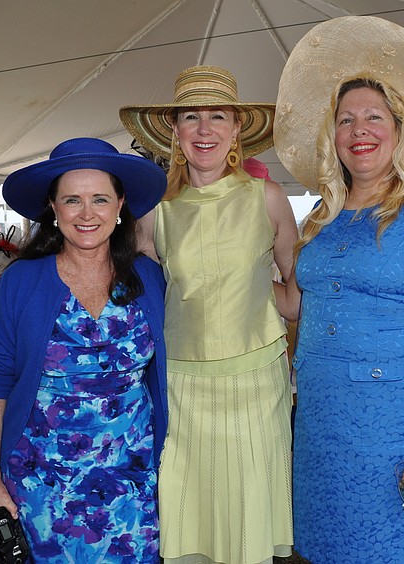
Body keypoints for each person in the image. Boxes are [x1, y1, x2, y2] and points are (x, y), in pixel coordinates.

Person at [274, 16, 404, 563]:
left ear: (398, 130)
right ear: (332, 136)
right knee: (329, 548)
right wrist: (234, 276)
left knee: (396, 551)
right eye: (345, 120)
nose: (359, 130)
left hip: (397, 425)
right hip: (321, 420)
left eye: (373, 117)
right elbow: (297, 305)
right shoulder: (320, 215)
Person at [119, 65, 298, 564]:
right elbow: (148, 301)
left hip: (257, 384)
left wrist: (259, 300)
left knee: (247, 516)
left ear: (237, 127)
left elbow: (297, 295)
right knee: (187, 516)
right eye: (191, 117)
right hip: (182, 387)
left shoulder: (268, 198)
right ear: (174, 131)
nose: (204, 130)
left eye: (217, 116)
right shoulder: (156, 212)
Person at [0, 137, 168, 562]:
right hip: (40, 485)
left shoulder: (151, 278)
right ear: (53, 208)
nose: (86, 213)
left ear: (120, 206)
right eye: (72, 200)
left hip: (130, 483)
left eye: (100, 199)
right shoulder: (20, 283)